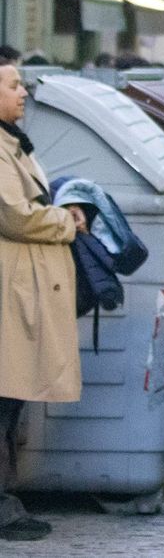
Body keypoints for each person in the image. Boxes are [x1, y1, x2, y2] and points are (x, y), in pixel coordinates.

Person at [0, 64, 85, 542]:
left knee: (9, 402)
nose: (22, 94)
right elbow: (14, 215)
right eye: (12, 86)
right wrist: (64, 222)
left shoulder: (11, 141)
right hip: (10, 293)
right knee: (4, 399)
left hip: (19, 291)